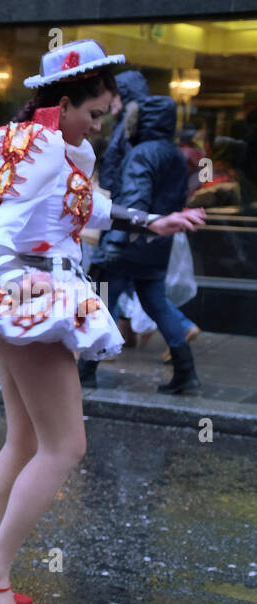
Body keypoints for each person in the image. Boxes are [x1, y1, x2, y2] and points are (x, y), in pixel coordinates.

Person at [0, 40, 204, 604]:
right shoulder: (40, 145)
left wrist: (151, 219)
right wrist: (12, 275)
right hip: (35, 295)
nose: (99, 126)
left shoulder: (68, 149)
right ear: (66, 102)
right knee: (65, 446)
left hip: (34, 293)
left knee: (25, 441)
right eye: (95, 114)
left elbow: (90, 210)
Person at [86, 90, 202, 393]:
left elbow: (135, 203)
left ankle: (85, 371)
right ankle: (186, 373)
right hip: (156, 244)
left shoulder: (142, 152)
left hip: (128, 245)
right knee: (155, 303)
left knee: (103, 303)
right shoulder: (173, 153)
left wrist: (112, 245)